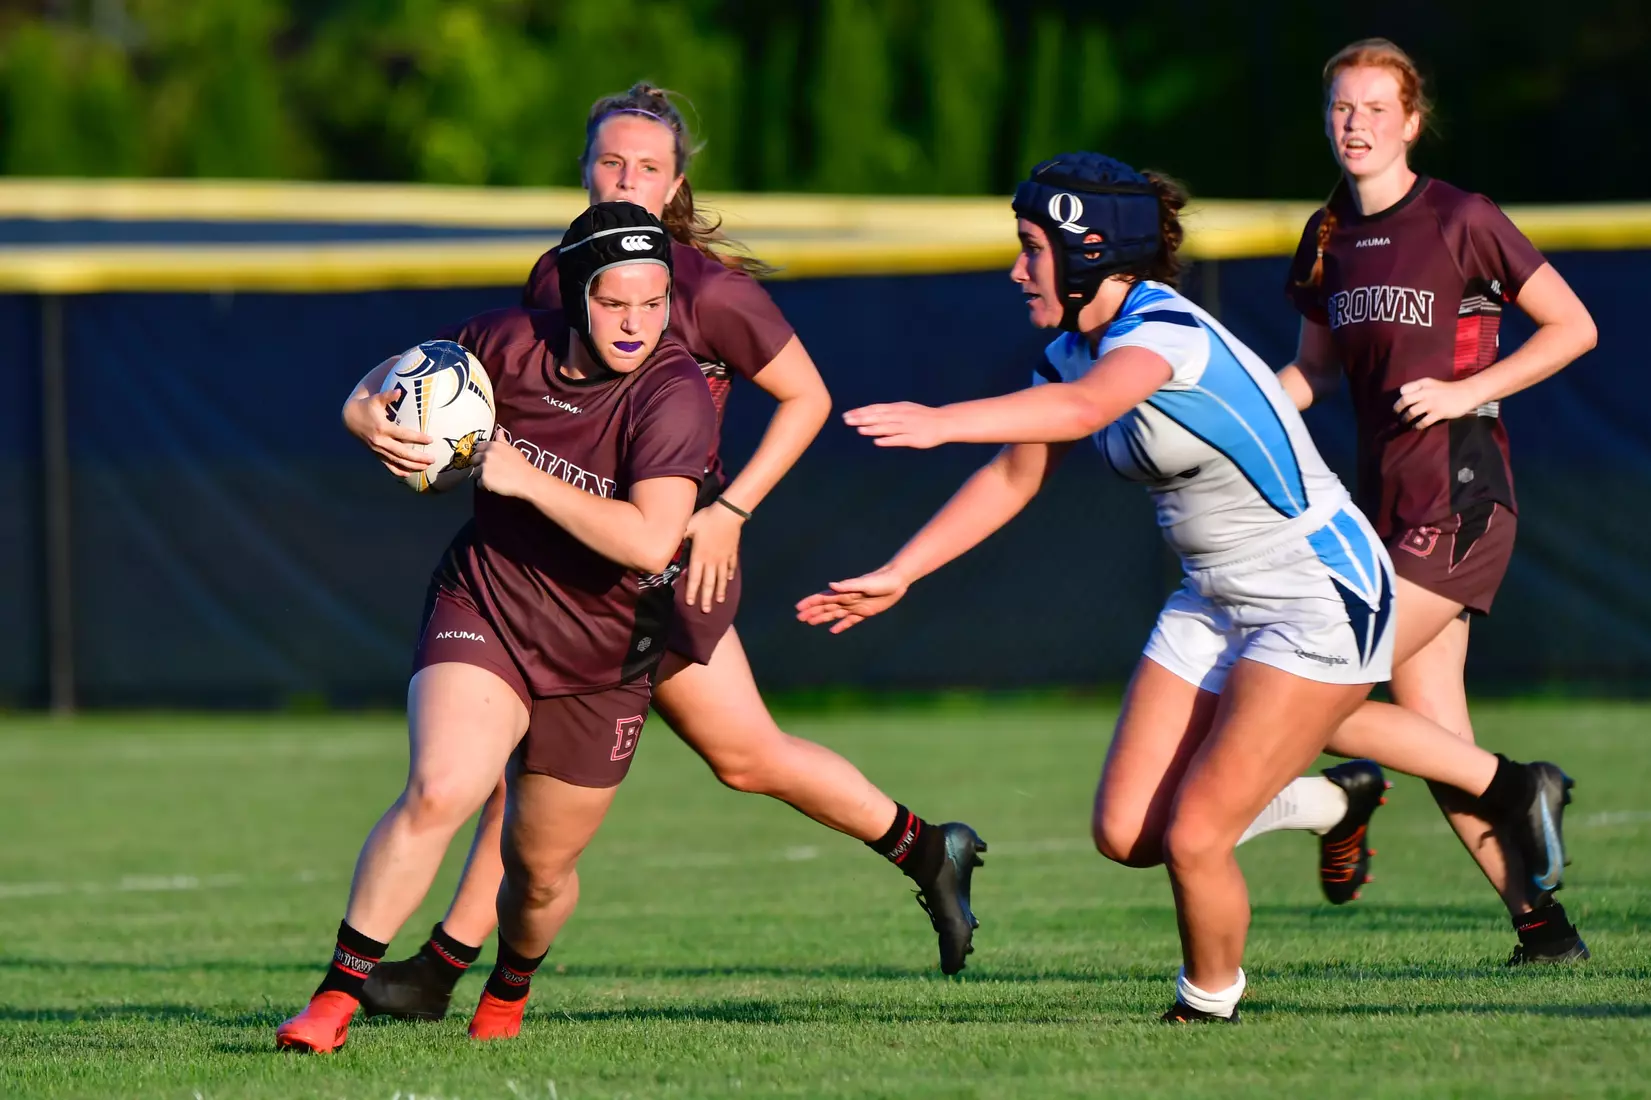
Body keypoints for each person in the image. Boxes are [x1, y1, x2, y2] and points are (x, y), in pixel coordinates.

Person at [798, 153, 1573, 1021]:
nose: (1017, 270)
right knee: (1128, 833)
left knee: (1198, 836)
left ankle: (1206, 1005)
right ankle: (1354, 798)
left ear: (1090, 250)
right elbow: (1016, 477)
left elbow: (1087, 410)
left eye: (1031, 248)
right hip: (1214, 595)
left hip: (1316, 591)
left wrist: (940, 422)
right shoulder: (1066, 351)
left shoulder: (1163, 332)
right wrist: (900, 573)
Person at [359, 84, 985, 1025]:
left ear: (677, 181)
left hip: (652, 573)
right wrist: (391, 421)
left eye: (648, 166)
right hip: (560, 571)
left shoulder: (706, 291)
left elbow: (809, 399)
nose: (628, 179)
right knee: (533, 781)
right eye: (611, 162)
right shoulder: (562, 275)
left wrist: (729, 509)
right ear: (582, 172)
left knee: (743, 757)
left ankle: (930, 849)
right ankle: (441, 974)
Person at [276, 201, 716, 1051]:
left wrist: (515, 472)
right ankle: (331, 1002)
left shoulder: (674, 393)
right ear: (577, 293)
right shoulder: (505, 342)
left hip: (606, 649)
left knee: (538, 875)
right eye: (616, 301)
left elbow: (649, 538)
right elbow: (374, 392)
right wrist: (370, 419)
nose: (636, 322)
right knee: (444, 786)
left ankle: (507, 993)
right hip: (490, 600)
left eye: (654, 302)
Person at [1275, 38, 1597, 964]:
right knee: (1431, 735)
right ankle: (1542, 928)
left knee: (1305, 695)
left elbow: (1573, 326)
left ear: (1410, 122)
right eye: (1342, 108)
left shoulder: (1462, 216)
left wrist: (1467, 391)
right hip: (1378, 512)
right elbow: (1312, 374)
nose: (1356, 125)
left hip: (1460, 504)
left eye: (1376, 109)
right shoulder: (1326, 232)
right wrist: (1232, 414)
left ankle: (1509, 784)